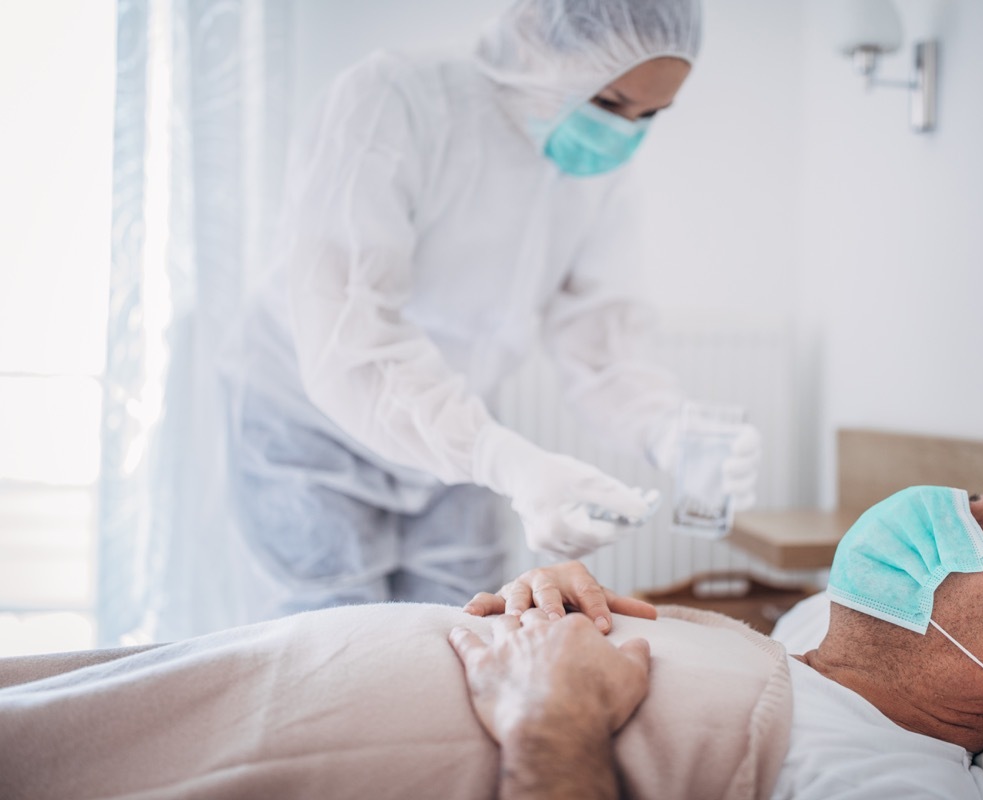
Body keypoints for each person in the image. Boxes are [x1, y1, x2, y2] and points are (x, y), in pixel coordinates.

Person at [0, 481, 983, 799]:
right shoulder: (785, 656)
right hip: (228, 678)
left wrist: (548, 715)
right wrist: (552, 604)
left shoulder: (893, 778)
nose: (944, 503)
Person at [220, 0, 761, 623]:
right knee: (337, 645)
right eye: (610, 104)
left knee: (466, 634)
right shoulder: (394, 101)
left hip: (454, 416)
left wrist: (666, 428)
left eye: (651, 115)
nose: (624, 132)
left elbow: (601, 341)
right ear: (542, 43)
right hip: (309, 421)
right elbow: (351, 331)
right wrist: (504, 460)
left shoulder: (601, 171)